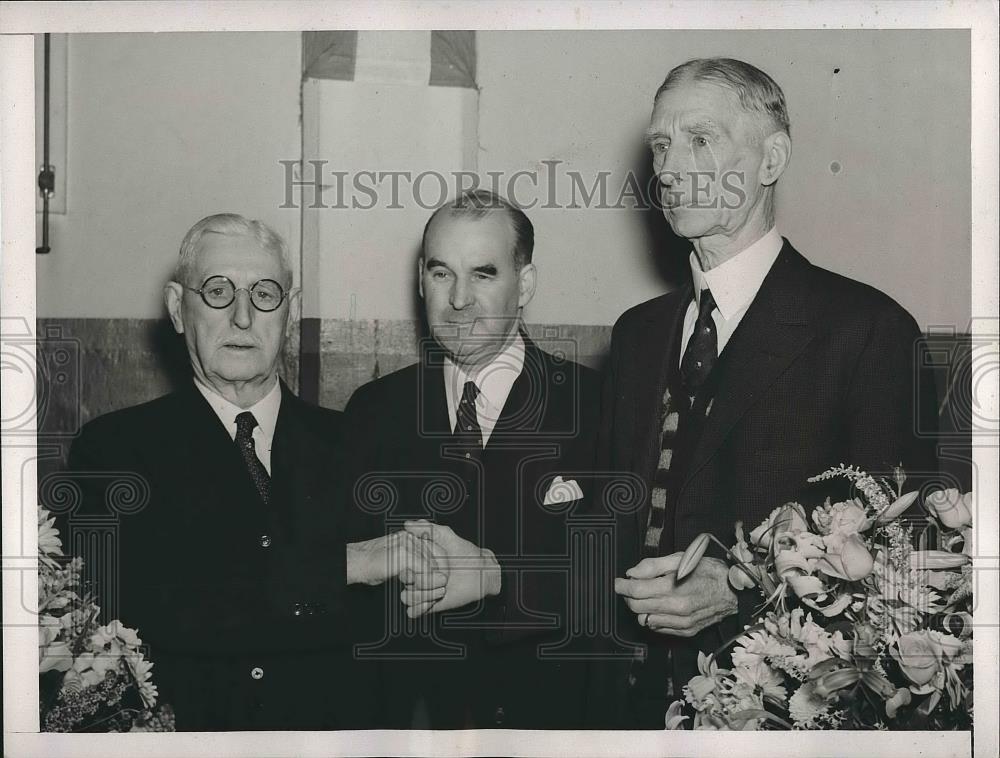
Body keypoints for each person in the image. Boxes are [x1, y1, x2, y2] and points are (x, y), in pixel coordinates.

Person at [591, 58, 938, 728]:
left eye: (701, 139)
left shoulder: (867, 330)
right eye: (661, 145)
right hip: (628, 711)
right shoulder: (637, 335)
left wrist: (742, 589)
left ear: (770, 159)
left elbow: (908, 558)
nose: (668, 167)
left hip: (783, 711)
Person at [64, 213, 441, 730]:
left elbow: (396, 641)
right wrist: (344, 566)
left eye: (264, 294)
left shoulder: (355, 443)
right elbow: (155, 608)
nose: (242, 317)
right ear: (178, 308)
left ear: (291, 310)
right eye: (218, 291)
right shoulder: (114, 452)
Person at [341, 190, 601, 729]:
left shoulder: (597, 405)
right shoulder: (375, 410)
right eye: (442, 274)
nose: (459, 300)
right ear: (420, 280)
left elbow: (613, 573)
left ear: (524, 283)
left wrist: (498, 576)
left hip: (548, 726)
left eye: (483, 273)